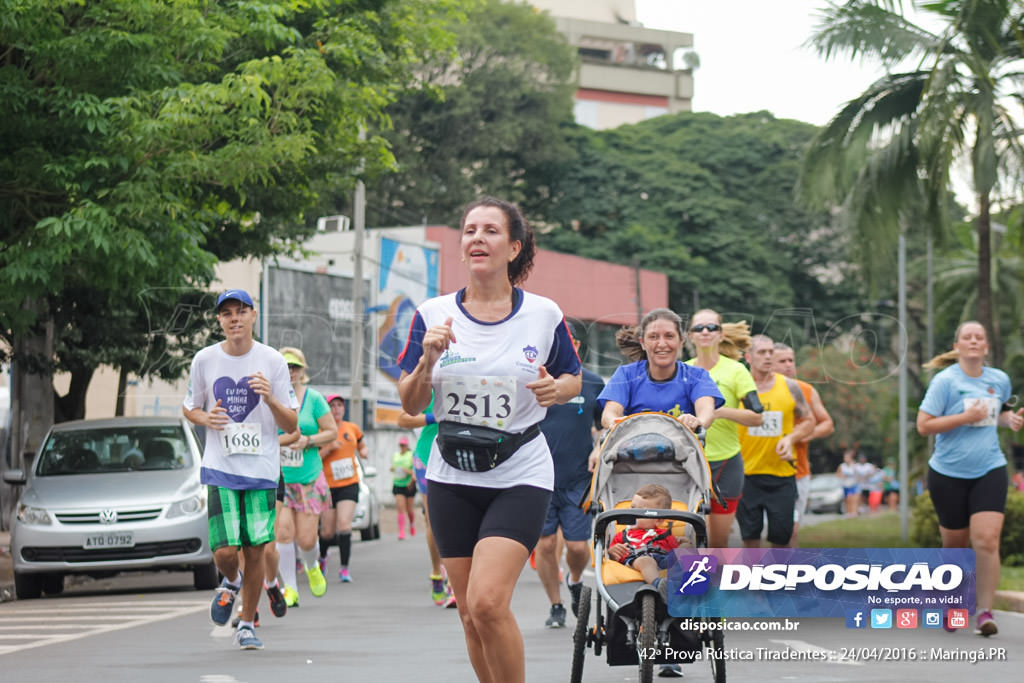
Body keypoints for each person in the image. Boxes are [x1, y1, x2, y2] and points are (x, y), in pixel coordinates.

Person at [397, 196, 581, 683]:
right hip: (451, 473)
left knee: (487, 601)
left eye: (491, 231)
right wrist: (426, 362)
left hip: (519, 470)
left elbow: (572, 380)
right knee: (469, 615)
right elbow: (412, 404)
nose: (477, 237)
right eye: (469, 229)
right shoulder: (431, 313)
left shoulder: (543, 314)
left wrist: (554, 389)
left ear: (513, 247)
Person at [595, 307, 723, 678]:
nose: (662, 343)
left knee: (687, 540)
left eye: (669, 336)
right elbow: (610, 414)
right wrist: (612, 421)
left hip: (679, 480)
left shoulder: (694, 376)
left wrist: (697, 420)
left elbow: (706, 407)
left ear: (680, 341)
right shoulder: (627, 375)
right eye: (654, 337)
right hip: (630, 483)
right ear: (643, 341)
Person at [183, 289, 299, 651]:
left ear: (253, 316)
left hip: (261, 470)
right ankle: (230, 582)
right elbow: (190, 407)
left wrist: (270, 398)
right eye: (227, 313)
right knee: (224, 551)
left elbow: (292, 422)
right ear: (219, 320)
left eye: (241, 312)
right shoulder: (205, 359)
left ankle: (247, 622)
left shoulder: (273, 361)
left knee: (255, 551)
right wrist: (206, 417)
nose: (234, 319)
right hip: (220, 466)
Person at [916, 320, 1024, 637]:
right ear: (958, 345)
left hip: (989, 468)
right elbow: (924, 425)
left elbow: (997, 413)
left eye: (980, 337)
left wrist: (1010, 419)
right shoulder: (945, 382)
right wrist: (965, 417)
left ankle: (984, 612)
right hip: (947, 473)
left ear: (986, 347)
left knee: (987, 541)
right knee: (955, 544)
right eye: (968, 337)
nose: (974, 341)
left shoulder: (998, 380)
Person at [535, 321, 605, 629]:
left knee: (578, 547)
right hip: (538, 478)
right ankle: (556, 605)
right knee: (546, 545)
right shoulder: (533, 381)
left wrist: (599, 446)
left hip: (578, 479)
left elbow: (606, 424)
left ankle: (575, 581)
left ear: (575, 344)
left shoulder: (591, 383)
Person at [262, 346, 337, 605]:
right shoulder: (268, 398)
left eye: (294, 367)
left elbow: (332, 432)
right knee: (282, 533)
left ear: (302, 371)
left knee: (306, 539)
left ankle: (311, 565)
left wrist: (308, 440)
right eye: (285, 367)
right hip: (279, 477)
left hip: (308, 477)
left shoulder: (313, 398)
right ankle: (289, 589)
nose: (290, 372)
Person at [685, 310, 764, 548]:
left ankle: (715, 584)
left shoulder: (737, 370)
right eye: (699, 328)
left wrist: (715, 412)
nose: (705, 332)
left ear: (721, 335)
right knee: (691, 537)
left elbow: (757, 417)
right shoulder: (682, 371)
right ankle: (694, 583)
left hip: (726, 463)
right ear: (690, 336)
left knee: (717, 543)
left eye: (711, 327)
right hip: (690, 462)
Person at [736, 335, 814, 548]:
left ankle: (778, 580)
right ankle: (752, 581)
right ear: (748, 357)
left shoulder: (789, 386)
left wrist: (790, 439)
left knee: (782, 538)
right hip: (746, 474)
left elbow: (809, 421)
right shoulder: (738, 387)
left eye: (771, 352)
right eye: (762, 352)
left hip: (782, 474)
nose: (768, 356)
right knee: (750, 538)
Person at [771, 343, 835, 546]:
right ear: (768, 363)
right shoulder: (752, 390)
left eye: (791, 360)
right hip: (758, 472)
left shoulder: (805, 390)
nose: (788, 365)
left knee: (790, 532)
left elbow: (827, 424)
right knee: (758, 535)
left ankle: (787, 574)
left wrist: (805, 434)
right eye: (782, 361)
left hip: (797, 471)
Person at [397, 393, 456, 607]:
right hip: (427, 457)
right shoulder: (430, 388)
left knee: (458, 521)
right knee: (435, 521)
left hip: (461, 456)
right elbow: (402, 419)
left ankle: (454, 582)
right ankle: (436, 572)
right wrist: (434, 417)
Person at [318, 394, 368, 582]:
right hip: (328, 485)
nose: (336, 409)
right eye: (332, 405)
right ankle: (322, 557)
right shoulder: (321, 430)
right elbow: (314, 458)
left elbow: (363, 446)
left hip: (349, 483)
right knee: (327, 532)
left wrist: (364, 452)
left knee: (344, 525)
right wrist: (328, 448)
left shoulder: (352, 428)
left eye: (339, 405)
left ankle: (344, 568)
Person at [608, 484, 680, 587]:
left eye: (641, 512)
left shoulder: (664, 534)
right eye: (632, 508)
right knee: (645, 561)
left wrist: (685, 544)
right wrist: (612, 552)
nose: (633, 514)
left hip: (663, 559)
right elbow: (612, 558)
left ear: (659, 520)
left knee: (686, 550)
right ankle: (658, 585)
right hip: (635, 560)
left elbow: (676, 551)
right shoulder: (623, 535)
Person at [391, 436, 417, 540]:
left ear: (407, 446)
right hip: (398, 484)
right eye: (400, 445)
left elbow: (415, 470)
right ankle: (401, 531)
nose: (402, 447)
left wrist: (408, 472)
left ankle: (412, 524)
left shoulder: (411, 455)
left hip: (409, 484)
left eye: (404, 445)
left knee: (409, 509)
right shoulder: (396, 455)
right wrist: (393, 469)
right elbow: (394, 467)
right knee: (400, 508)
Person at [837, 449, 860, 517]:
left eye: (847, 458)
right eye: (845, 458)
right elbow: (838, 474)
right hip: (845, 485)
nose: (846, 459)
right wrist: (841, 476)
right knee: (847, 500)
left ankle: (854, 512)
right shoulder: (842, 466)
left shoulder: (854, 465)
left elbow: (858, 474)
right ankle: (848, 513)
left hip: (852, 485)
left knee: (851, 498)